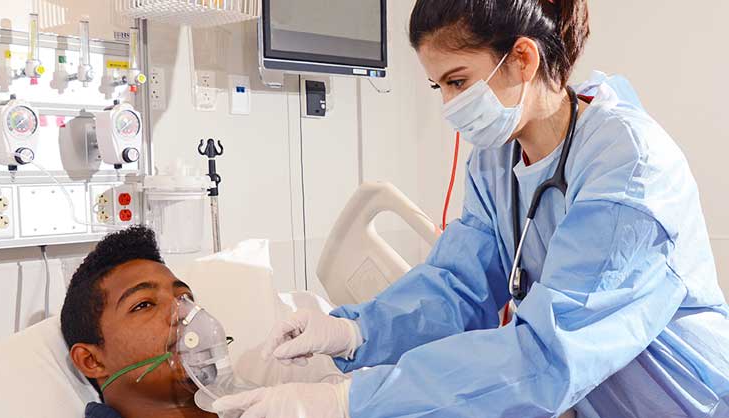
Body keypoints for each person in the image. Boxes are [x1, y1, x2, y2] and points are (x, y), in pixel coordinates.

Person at [213, 0, 729, 417]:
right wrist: (355, 331)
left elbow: (549, 354)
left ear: (523, 59)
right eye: (438, 86)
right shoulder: (496, 158)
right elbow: (457, 286)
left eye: (458, 81)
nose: (448, 106)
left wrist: (349, 401)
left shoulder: (629, 168)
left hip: (682, 399)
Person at [61, 226, 215, 418]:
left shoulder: (255, 405)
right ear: (91, 361)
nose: (184, 311)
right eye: (144, 304)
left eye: (185, 297)